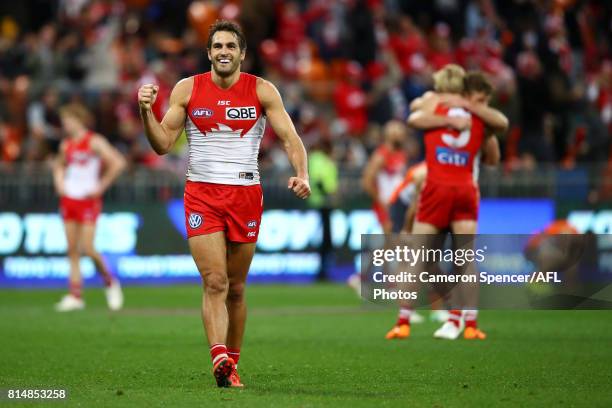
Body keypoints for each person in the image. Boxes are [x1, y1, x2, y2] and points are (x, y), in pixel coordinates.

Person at [137, 20, 310, 388]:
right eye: (217, 46)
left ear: (242, 53)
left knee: (237, 287)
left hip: (245, 195)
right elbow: (163, 143)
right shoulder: (187, 89)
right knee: (214, 281)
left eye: (231, 46)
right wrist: (145, 113)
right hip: (202, 194)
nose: (224, 52)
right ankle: (219, 357)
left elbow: (290, 137)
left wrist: (302, 173)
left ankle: (232, 363)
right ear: (209, 53)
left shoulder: (262, 91)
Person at [386, 67, 507, 340]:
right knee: (463, 259)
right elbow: (494, 154)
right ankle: (466, 322)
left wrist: (437, 110)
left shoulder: (434, 105)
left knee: (420, 257)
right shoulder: (479, 116)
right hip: (466, 188)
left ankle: (404, 320)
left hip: (438, 186)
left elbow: (415, 115)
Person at [53, 103, 126, 312]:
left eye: (68, 120)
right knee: (72, 250)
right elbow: (58, 165)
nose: (65, 125)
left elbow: (118, 162)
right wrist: (59, 182)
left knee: (88, 248)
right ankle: (75, 295)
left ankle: (110, 282)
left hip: (88, 199)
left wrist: (101, 186)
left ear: (79, 120)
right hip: (69, 198)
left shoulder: (94, 141)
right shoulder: (66, 145)